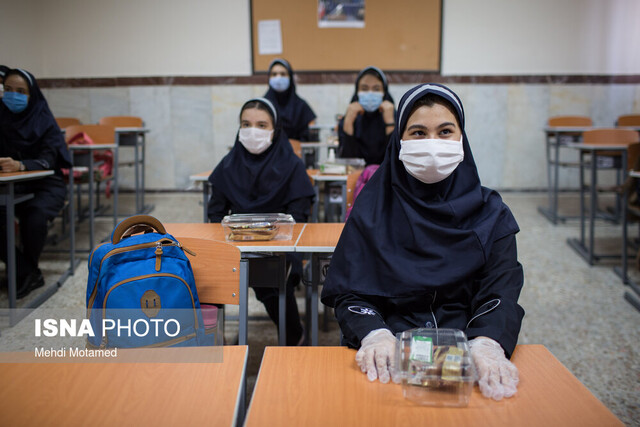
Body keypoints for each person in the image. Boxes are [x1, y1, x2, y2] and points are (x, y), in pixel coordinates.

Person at [321, 83, 524, 401]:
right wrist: (374, 334)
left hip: (465, 356)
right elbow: (350, 294)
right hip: (389, 357)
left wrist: (487, 342)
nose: (432, 145)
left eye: (445, 131)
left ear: (462, 139)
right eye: (417, 133)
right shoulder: (372, 210)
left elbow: (500, 293)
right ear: (398, 141)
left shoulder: (491, 215)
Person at [207, 97, 315, 345]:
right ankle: (213, 341)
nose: (252, 131)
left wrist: (273, 239)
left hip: (278, 248)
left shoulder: (292, 167)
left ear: (275, 130)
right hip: (236, 246)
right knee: (207, 272)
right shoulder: (228, 165)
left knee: (276, 277)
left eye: (261, 125)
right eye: (246, 124)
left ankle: (293, 336)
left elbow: (298, 218)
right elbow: (215, 213)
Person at [0, 68, 72, 298]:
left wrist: (21, 165)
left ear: (32, 94)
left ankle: (24, 272)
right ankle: (26, 271)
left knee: (35, 217)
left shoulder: (44, 121)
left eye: (21, 91)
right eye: (8, 90)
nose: (13, 96)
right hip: (9, 185)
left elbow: (49, 160)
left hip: (45, 185)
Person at [337, 66, 395, 166]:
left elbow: (396, 159)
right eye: (364, 89)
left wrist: (390, 122)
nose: (370, 93)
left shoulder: (395, 117)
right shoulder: (351, 116)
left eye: (376, 89)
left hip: (387, 179)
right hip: (356, 178)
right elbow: (347, 161)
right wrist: (348, 122)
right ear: (357, 91)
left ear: (384, 92)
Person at [264, 58, 316, 142]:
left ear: (290, 77)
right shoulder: (263, 106)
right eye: (274, 74)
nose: (278, 78)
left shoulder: (301, 106)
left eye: (283, 74)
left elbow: (310, 137)